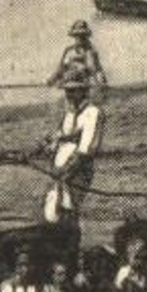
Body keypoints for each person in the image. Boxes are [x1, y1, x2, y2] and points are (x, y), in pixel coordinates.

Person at [41, 68, 103, 226]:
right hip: (59, 170)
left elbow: (86, 150)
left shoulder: (93, 113)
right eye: (67, 91)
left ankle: (70, 247)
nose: (69, 95)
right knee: (51, 213)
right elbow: (59, 135)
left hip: (77, 171)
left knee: (69, 210)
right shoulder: (69, 113)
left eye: (73, 91)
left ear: (83, 91)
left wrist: (66, 172)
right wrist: (49, 144)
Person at [47, 20, 106, 91]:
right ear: (74, 37)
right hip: (69, 84)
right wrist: (52, 79)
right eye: (77, 36)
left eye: (82, 36)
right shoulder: (69, 51)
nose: (80, 39)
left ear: (86, 37)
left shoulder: (91, 51)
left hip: (85, 85)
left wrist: (101, 82)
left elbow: (97, 70)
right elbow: (61, 68)